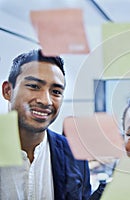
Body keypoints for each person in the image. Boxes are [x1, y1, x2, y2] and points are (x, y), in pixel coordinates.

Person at [0, 49, 91, 199]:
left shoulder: (75, 155)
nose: (46, 101)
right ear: (8, 91)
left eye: (55, 92)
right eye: (34, 86)